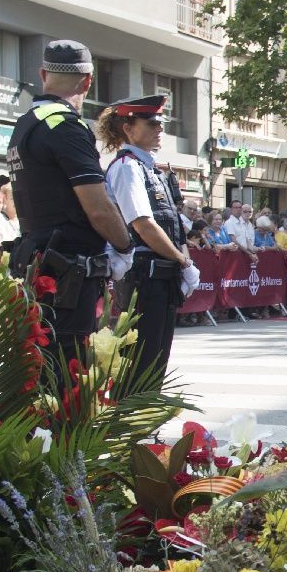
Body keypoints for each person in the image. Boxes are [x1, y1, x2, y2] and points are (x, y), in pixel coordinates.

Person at [5, 39, 132, 376]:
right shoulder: (67, 127)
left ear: (43, 74)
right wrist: (124, 245)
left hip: (37, 263)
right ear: (87, 81)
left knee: (40, 370)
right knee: (66, 374)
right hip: (69, 275)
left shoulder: (25, 125)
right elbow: (98, 207)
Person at [97, 95, 192, 386]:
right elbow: (142, 224)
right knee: (141, 363)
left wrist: (183, 258)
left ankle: (147, 424)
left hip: (160, 277)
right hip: (143, 278)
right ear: (128, 127)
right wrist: (181, 260)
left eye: (160, 123)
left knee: (156, 362)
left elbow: (172, 222)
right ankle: (132, 426)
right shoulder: (127, 167)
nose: (159, 129)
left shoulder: (149, 168)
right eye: (151, 123)